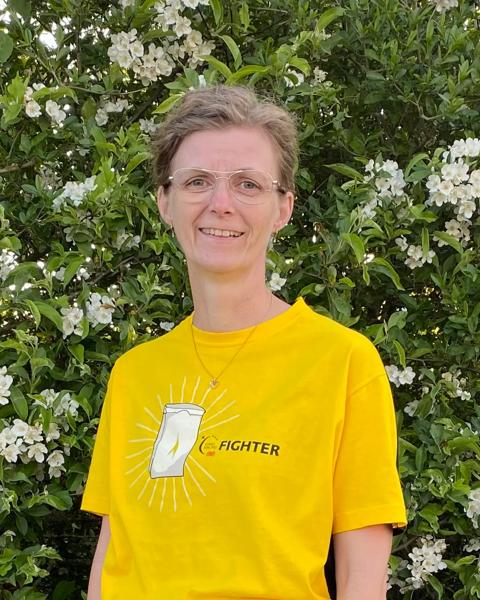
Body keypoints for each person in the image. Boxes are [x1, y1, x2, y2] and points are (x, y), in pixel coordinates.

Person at [81, 85, 407, 600]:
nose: (220, 204)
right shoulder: (134, 374)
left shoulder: (343, 363)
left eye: (248, 184)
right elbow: (112, 553)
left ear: (283, 208)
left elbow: (361, 579)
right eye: (197, 181)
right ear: (165, 202)